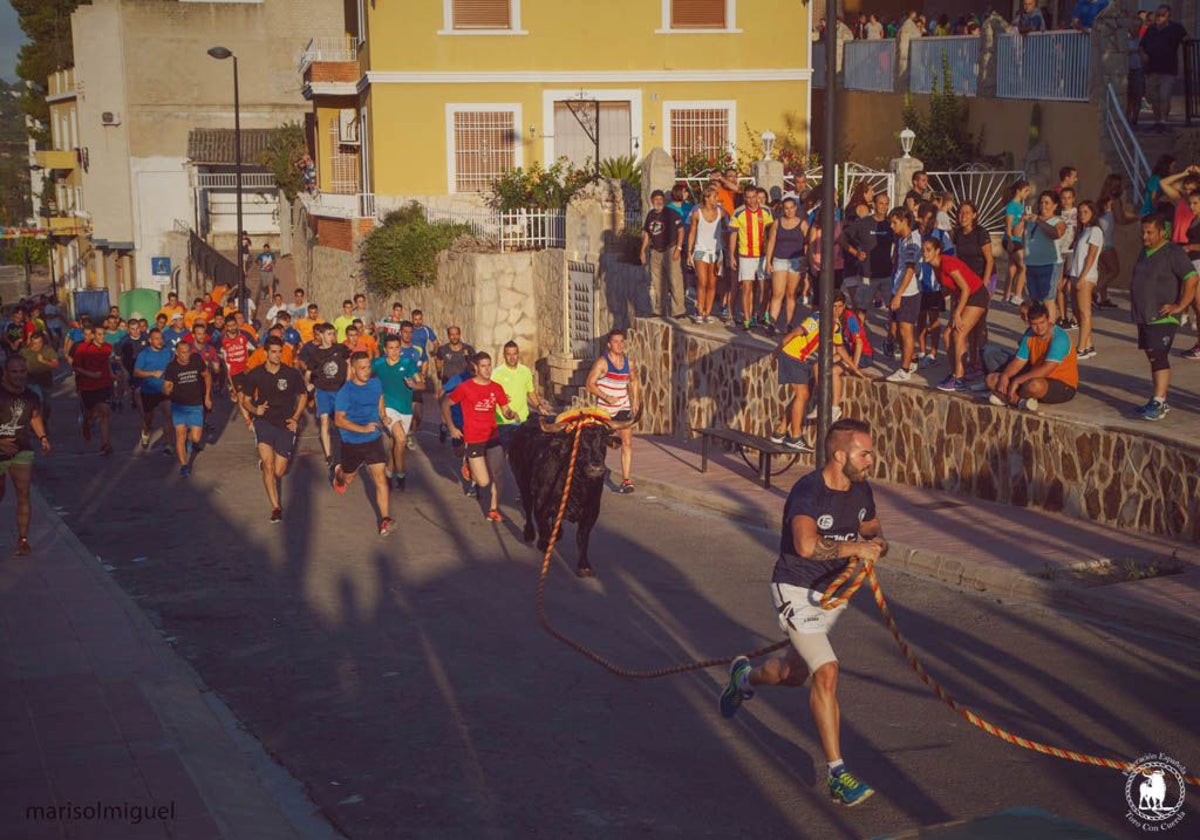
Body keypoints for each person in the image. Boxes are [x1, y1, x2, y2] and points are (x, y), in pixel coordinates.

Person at [720, 417, 883, 808]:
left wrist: (875, 546)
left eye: (871, 452)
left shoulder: (861, 490)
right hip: (795, 590)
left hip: (832, 595)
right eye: (865, 452)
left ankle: (745, 677)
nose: (871, 459)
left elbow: (874, 531)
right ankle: (838, 774)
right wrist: (854, 551)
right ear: (840, 454)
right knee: (826, 671)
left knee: (794, 675)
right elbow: (806, 546)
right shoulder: (808, 491)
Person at [770, 293, 863, 451]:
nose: (837, 310)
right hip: (792, 355)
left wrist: (855, 368)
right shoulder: (817, 318)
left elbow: (840, 349)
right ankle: (795, 436)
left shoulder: (836, 326)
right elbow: (796, 333)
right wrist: (776, 351)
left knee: (802, 395)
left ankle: (780, 430)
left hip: (801, 358)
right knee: (803, 395)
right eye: (834, 306)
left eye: (840, 306)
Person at [1128, 214, 1198, 419]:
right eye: (1142, 232)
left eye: (1149, 232)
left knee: (1158, 356)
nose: (1144, 236)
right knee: (1153, 356)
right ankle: (1158, 399)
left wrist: (1180, 305)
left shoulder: (1172, 252)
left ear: (1161, 231)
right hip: (1145, 315)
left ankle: (1159, 402)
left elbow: (1191, 278)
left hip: (1163, 316)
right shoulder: (1145, 251)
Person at [443, 351, 518, 522]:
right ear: (475, 367)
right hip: (474, 439)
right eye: (483, 366)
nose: (487, 369)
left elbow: (505, 409)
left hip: (492, 436)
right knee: (483, 482)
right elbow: (446, 404)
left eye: (489, 365)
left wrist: (510, 413)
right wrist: (452, 427)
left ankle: (493, 509)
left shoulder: (496, 388)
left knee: (498, 474)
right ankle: (468, 464)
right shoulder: (465, 387)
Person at [241, 336, 307, 522]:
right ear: (265, 353)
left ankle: (265, 465)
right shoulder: (255, 374)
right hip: (264, 423)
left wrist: (295, 418)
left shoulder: (291, 373)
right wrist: (256, 410)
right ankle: (276, 508)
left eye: (280, 352)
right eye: (274, 352)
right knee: (269, 467)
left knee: (279, 471)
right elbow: (245, 401)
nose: (278, 355)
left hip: (285, 424)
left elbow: (303, 395)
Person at [333, 352, 395, 536]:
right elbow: (338, 420)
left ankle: (385, 520)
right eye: (362, 368)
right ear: (352, 369)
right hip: (351, 442)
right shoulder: (345, 392)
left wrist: (382, 415)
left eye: (368, 367)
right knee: (348, 478)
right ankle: (340, 473)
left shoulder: (375, 383)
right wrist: (363, 429)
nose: (367, 371)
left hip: (373, 439)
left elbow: (380, 398)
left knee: (380, 479)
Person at [0, 356, 51, 555]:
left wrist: (43, 437)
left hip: (21, 448)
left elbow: (34, 417)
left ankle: (23, 539)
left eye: (22, 371)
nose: (19, 375)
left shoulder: (31, 396)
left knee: (23, 493)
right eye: (14, 372)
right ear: (5, 373)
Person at [987, 302, 1078, 412]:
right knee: (991, 379)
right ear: (1029, 323)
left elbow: (1046, 369)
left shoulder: (1059, 338)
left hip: (1062, 384)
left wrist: (1017, 381)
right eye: (1034, 325)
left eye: (1042, 322)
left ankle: (1007, 397)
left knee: (1034, 386)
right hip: (1033, 376)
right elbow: (1018, 362)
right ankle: (1020, 402)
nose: (1039, 328)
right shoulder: (1030, 335)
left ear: (1048, 319)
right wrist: (1005, 376)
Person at [924, 239, 989, 392]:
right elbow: (952, 289)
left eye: (928, 250)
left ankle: (959, 380)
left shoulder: (947, 263)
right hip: (963, 297)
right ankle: (955, 372)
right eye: (923, 250)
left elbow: (965, 288)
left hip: (976, 295)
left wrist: (957, 314)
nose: (924, 253)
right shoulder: (934, 267)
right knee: (947, 335)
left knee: (959, 334)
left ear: (937, 250)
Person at [585, 329, 640, 493]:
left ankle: (626, 480)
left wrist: (635, 401)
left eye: (622, 341)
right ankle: (595, 472)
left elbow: (634, 380)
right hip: (604, 411)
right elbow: (589, 384)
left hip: (622, 407)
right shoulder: (602, 362)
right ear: (609, 344)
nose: (619, 345)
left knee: (627, 442)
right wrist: (606, 397)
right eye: (616, 342)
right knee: (600, 444)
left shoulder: (629, 363)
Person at [372, 334, 422, 491]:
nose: (394, 351)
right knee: (401, 440)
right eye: (391, 348)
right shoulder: (378, 363)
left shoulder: (408, 363)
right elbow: (363, 374)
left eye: (397, 348)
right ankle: (401, 476)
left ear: (400, 349)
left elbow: (421, 384)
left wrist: (414, 384)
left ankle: (388, 473)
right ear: (385, 349)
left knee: (395, 444)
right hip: (388, 407)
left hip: (405, 410)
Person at [300, 323, 350, 469]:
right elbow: (308, 374)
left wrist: (348, 382)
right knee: (324, 422)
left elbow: (349, 364)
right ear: (320, 335)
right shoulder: (314, 353)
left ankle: (347, 451)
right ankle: (329, 456)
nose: (331, 337)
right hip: (322, 391)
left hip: (339, 391)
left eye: (333, 333)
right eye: (328, 334)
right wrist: (308, 384)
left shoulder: (340, 348)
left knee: (342, 422)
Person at [162, 340, 212, 477]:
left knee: (196, 438)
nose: (185, 355)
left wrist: (207, 397)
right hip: (179, 406)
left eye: (187, 352)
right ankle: (184, 465)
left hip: (196, 404)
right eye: (182, 352)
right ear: (177, 353)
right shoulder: (171, 367)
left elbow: (207, 376)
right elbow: (166, 388)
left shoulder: (196, 360)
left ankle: (189, 441)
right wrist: (167, 389)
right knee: (180, 435)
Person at [884, 208, 923, 382]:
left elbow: (910, 270)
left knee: (906, 331)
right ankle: (912, 359)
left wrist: (899, 294)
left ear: (905, 221)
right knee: (898, 329)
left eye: (895, 222)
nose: (892, 226)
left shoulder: (913, 241)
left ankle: (905, 369)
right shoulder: (902, 240)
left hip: (908, 292)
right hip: (898, 289)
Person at [728, 187, 774, 330]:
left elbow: (771, 232)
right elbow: (733, 235)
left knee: (765, 287)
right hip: (745, 255)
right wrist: (731, 255)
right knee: (746, 287)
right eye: (747, 197)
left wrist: (771, 255)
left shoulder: (766, 211)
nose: (751, 200)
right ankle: (747, 319)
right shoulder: (738, 213)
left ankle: (761, 314)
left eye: (753, 197)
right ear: (744, 198)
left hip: (762, 255)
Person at [493, 340, 550, 451]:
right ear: (504, 355)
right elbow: (489, 394)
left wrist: (539, 406)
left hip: (522, 420)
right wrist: (499, 397)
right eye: (509, 354)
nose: (512, 357)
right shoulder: (496, 373)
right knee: (507, 455)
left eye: (514, 354)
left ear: (518, 354)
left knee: (522, 454)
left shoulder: (525, 371)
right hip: (503, 423)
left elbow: (530, 392)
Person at [1140, 4, 1188, 134]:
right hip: (1152, 70)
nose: (1159, 17)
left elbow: (1186, 39)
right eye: (1158, 14)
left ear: (1168, 16)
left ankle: (1164, 122)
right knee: (1152, 98)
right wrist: (1143, 55)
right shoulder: (1151, 29)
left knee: (1164, 96)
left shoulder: (1176, 28)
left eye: (1162, 15)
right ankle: (1157, 122)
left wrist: (1186, 41)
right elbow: (1142, 46)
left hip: (1168, 70)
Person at [763, 196, 806, 336]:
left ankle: (789, 323)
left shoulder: (802, 224)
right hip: (779, 259)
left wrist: (806, 260)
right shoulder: (777, 223)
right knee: (777, 293)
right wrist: (768, 261)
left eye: (791, 208)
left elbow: (808, 243)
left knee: (791, 293)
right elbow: (771, 242)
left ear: (795, 208)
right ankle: (772, 322)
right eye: (786, 208)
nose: (789, 211)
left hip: (795, 260)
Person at [1067, 201, 1105, 360]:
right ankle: (1088, 344)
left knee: (1084, 312)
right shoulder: (1083, 231)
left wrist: (1082, 277)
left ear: (1093, 213)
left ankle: (1081, 348)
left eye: (1085, 212)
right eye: (1080, 212)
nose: (1082, 215)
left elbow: (1091, 256)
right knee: (1077, 311)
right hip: (1076, 275)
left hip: (1086, 276)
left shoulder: (1095, 231)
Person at [1095, 174, 1139, 310]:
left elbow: (1122, 214)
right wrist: (1137, 219)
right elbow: (1121, 219)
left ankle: (1103, 298)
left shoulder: (1101, 201)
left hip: (1098, 241)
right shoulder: (1115, 201)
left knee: (1103, 271)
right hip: (1106, 242)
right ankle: (1093, 292)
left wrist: (1136, 216)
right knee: (1114, 271)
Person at [640, 189, 685, 318]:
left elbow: (681, 230)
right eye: (656, 200)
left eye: (660, 199)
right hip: (655, 251)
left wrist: (679, 249)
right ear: (652, 201)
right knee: (658, 281)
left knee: (675, 280)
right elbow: (648, 234)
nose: (658, 202)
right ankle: (659, 309)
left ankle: (679, 310)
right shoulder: (650, 215)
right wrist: (642, 251)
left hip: (670, 249)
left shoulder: (671, 213)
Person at [1023, 191, 1067, 323]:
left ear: (1055, 205)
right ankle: (1038, 328)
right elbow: (1018, 235)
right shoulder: (1031, 221)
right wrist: (1023, 220)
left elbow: (1056, 234)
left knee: (1048, 300)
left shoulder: (1058, 221)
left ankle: (1051, 329)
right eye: (1041, 202)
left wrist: (1039, 220)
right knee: (1035, 301)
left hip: (1049, 265)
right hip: (1031, 264)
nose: (1043, 205)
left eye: (1047, 202)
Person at [686, 185, 728, 324]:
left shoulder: (721, 212)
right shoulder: (697, 213)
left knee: (712, 283)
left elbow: (728, 229)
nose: (717, 199)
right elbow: (692, 232)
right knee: (702, 282)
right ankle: (699, 311)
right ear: (706, 198)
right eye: (714, 197)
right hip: (700, 250)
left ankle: (707, 313)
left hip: (715, 251)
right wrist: (689, 252)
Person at [72, 327, 114, 455]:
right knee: (92, 414)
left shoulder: (108, 347)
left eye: (103, 334)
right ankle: (87, 420)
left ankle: (105, 444)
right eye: (99, 334)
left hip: (104, 385)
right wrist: (91, 374)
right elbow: (76, 367)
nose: (102, 337)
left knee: (105, 412)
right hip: (88, 387)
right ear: (93, 336)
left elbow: (108, 363)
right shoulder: (83, 349)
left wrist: (112, 374)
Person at [134, 328, 175, 452]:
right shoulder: (144, 354)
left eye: (161, 338)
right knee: (148, 418)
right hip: (149, 390)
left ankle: (168, 444)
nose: (159, 341)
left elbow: (173, 365)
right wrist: (152, 373)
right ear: (150, 340)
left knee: (168, 415)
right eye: (156, 338)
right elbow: (136, 372)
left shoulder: (168, 352)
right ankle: (145, 431)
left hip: (164, 389)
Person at [220, 318, 255, 428]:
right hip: (234, 373)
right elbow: (221, 358)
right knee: (241, 397)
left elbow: (256, 349)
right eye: (229, 326)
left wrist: (251, 364)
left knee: (250, 395)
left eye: (234, 325)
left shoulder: (244, 335)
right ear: (226, 327)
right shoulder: (222, 340)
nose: (232, 328)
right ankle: (248, 420)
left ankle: (255, 413)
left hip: (247, 369)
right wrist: (227, 380)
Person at [1002, 180, 1032, 305]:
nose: (1028, 194)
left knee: (1013, 268)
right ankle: (1018, 295)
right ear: (1018, 191)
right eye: (1026, 191)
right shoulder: (1011, 206)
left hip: (1017, 240)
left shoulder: (1020, 206)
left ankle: (1006, 296)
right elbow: (1008, 226)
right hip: (1011, 240)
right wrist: (1009, 242)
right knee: (1023, 267)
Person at [20, 332, 59, 424]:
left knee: (46, 404)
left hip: (45, 381)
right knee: (38, 400)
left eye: (40, 342)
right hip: (31, 381)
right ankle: (36, 422)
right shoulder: (25, 352)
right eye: (35, 343)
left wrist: (44, 361)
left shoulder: (48, 350)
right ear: (31, 342)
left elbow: (56, 365)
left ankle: (44, 419)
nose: (38, 345)